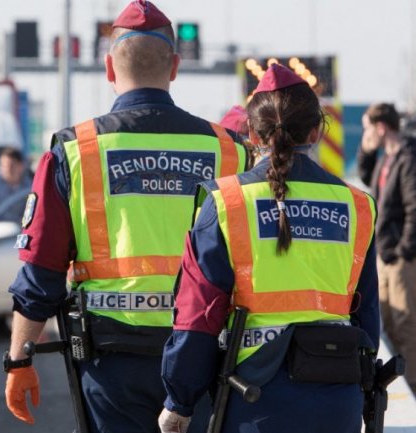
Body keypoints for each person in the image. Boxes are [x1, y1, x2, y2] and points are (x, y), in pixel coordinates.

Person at [3, 1, 249, 432]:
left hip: (111, 362)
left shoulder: (75, 151)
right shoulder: (230, 150)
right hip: (207, 357)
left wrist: (19, 357)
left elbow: (41, 270)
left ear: (109, 69)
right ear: (174, 66)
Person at [159, 64, 380, 433]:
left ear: (250, 132)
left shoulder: (227, 202)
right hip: (337, 399)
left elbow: (199, 315)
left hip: (254, 399)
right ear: (316, 132)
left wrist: (179, 401)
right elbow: (367, 316)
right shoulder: (358, 205)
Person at [357, 102, 416, 393]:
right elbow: (368, 180)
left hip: (404, 258)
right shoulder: (388, 157)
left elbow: (413, 206)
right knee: (388, 323)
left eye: (368, 127)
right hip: (388, 253)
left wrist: (404, 250)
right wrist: (367, 151)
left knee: (406, 324)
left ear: (381, 127)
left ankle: (414, 384)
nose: (366, 133)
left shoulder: (408, 156)